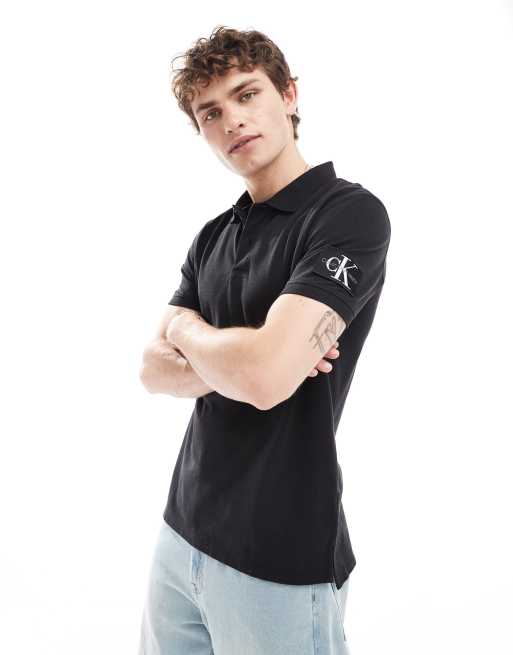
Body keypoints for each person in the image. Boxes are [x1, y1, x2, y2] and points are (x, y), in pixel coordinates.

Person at [138, 25, 391, 655]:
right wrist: (245, 353)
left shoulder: (347, 215)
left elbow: (264, 379)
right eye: (210, 113)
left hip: (279, 557)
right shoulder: (213, 235)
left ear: (289, 95)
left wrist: (196, 338)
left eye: (247, 94)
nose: (232, 121)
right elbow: (152, 369)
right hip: (181, 532)